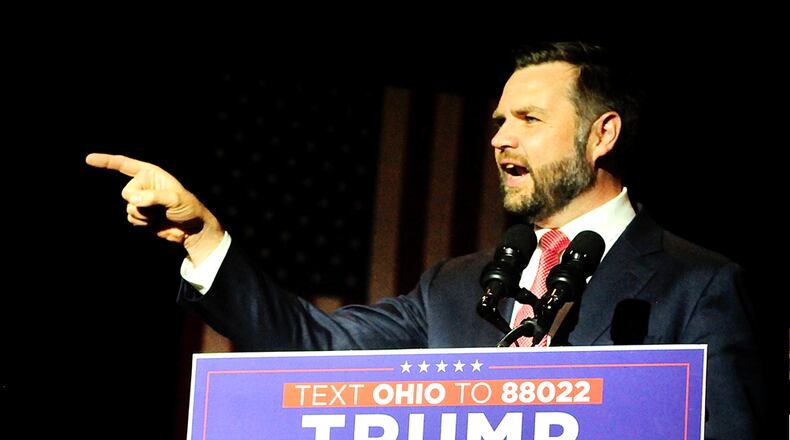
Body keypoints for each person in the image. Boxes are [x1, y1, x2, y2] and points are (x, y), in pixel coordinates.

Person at [86, 42, 764, 438]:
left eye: (528, 119)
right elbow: (315, 345)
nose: (500, 138)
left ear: (602, 134)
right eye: (499, 120)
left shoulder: (699, 285)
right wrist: (204, 237)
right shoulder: (453, 286)